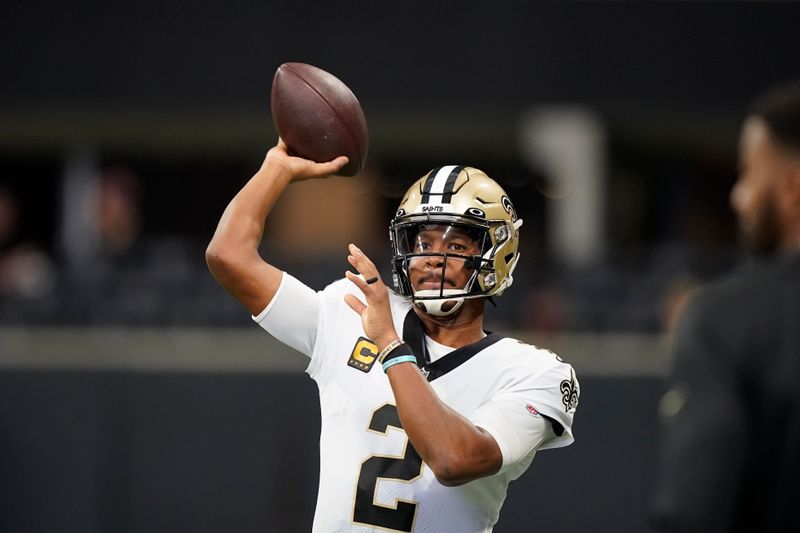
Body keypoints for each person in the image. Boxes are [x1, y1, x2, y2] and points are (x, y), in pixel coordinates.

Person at [206, 142, 579, 532]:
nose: (434, 257)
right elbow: (228, 256)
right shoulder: (351, 310)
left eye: (455, 245)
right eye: (423, 243)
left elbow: (454, 460)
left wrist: (390, 346)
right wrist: (275, 170)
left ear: (496, 254)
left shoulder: (536, 373)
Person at [650, 80, 800, 532]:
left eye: (750, 174)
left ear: (793, 187)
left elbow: (693, 512)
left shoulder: (724, 319)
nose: (739, 197)